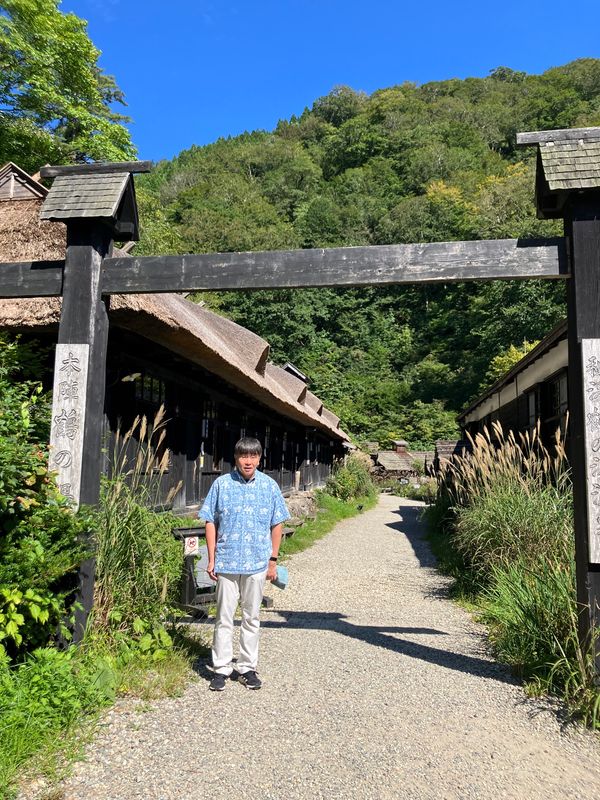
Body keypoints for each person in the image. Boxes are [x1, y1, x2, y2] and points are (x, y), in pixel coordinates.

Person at [199, 436, 289, 691]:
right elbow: (209, 521)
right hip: (227, 561)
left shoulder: (269, 486)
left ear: (260, 458)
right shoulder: (221, 485)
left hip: (257, 562)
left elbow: (277, 524)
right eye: (243, 456)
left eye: (253, 456)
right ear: (236, 458)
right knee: (224, 617)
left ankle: (247, 666)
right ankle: (221, 668)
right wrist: (212, 559)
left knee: (252, 617)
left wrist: (272, 560)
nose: (248, 461)